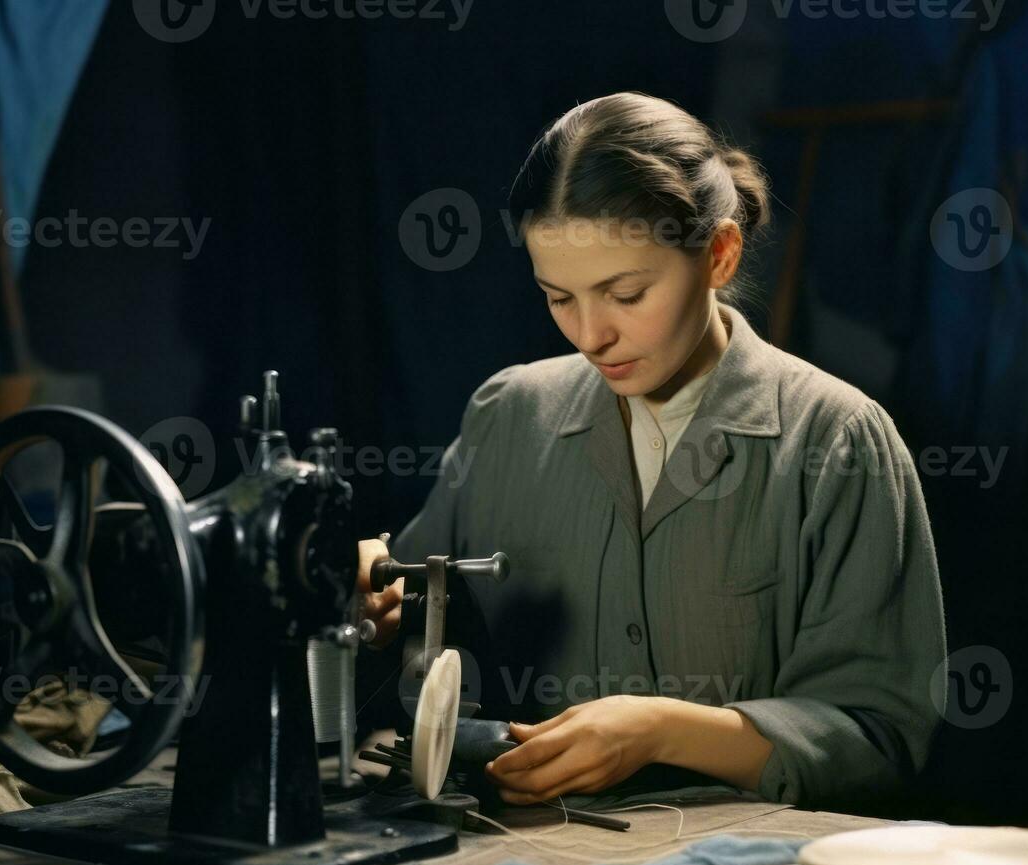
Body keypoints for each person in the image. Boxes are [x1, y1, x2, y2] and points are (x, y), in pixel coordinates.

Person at [357, 92, 947, 813]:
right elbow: (412, 641)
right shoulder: (509, 416)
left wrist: (662, 730)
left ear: (719, 255)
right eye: (558, 297)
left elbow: (880, 736)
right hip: (531, 859)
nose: (589, 335)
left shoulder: (835, 442)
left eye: (625, 293)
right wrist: (374, 596)